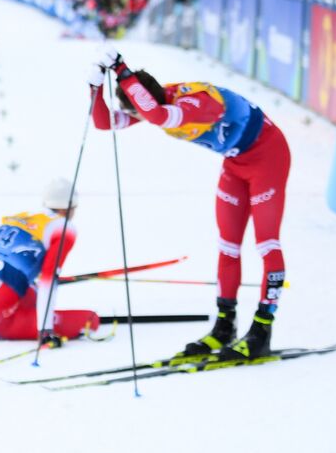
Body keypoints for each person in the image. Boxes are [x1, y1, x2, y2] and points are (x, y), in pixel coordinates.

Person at [90, 50, 289, 360]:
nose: (138, 119)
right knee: (228, 246)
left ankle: (262, 329)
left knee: (266, 244)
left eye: (137, 113)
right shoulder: (157, 102)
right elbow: (105, 123)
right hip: (236, 162)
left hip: (268, 156)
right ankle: (225, 326)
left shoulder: (192, 105)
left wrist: (121, 68)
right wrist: (95, 87)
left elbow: (155, 116)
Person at [0, 180, 98, 342]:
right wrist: (45, 330)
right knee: (91, 320)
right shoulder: (64, 228)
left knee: (32, 290)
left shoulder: (22, 217)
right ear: (71, 207)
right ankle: (30, 321)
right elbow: (48, 280)